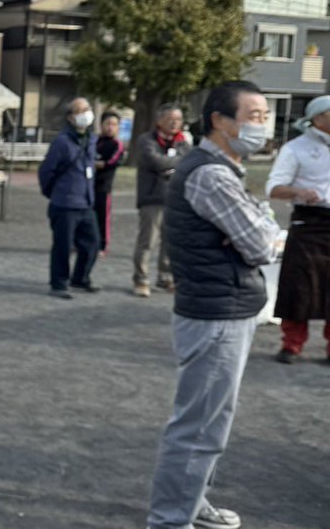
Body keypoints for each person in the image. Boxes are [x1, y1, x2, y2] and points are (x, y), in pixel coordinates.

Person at [146, 80, 279, 529]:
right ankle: (170, 519)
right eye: (254, 116)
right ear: (219, 120)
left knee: (210, 421)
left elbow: (261, 228)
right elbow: (262, 244)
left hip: (225, 305)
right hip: (216, 313)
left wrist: (258, 226)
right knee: (199, 426)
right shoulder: (211, 175)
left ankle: (191, 501)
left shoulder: (224, 169)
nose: (263, 125)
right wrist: (260, 229)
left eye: (265, 116)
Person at [266, 94, 330, 364]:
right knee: (299, 285)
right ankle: (291, 344)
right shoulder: (295, 148)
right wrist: (299, 192)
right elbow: (273, 188)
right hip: (309, 221)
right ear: (318, 118)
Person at [38, 98, 100, 299]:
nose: (85, 113)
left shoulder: (91, 139)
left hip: (86, 201)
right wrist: (52, 192)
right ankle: (59, 283)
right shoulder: (62, 142)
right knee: (63, 246)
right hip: (65, 202)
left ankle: (80, 278)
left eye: (87, 109)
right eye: (79, 110)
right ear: (70, 117)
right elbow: (47, 170)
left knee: (92, 243)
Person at [132, 105, 191, 297]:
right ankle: (141, 279)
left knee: (170, 241)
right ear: (159, 121)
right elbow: (156, 162)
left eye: (178, 119)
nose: (175, 123)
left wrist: (174, 163)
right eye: (170, 119)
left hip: (175, 198)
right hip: (152, 197)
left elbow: (190, 161)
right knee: (147, 241)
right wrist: (178, 162)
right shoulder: (147, 140)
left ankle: (165, 276)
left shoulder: (182, 142)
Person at [94, 111, 126, 257]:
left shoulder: (117, 144)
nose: (110, 127)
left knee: (102, 217)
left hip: (104, 186)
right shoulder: (95, 141)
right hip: (89, 185)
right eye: (107, 124)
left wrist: (98, 164)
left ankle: (102, 245)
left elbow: (111, 162)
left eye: (114, 124)